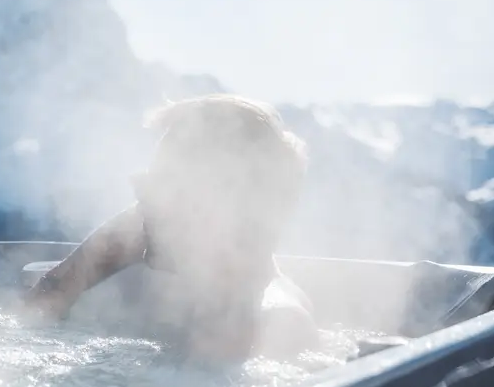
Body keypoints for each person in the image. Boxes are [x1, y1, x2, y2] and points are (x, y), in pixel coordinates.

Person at [23, 95, 318, 362]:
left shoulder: (273, 326)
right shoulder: (210, 292)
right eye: (147, 186)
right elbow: (49, 295)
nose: (142, 203)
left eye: (164, 190)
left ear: (223, 204)